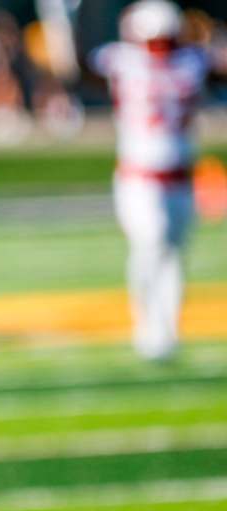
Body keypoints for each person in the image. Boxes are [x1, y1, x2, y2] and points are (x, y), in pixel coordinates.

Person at [89, 0, 210, 360]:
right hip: (139, 178)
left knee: (174, 253)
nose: (159, 47)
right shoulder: (122, 60)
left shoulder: (190, 62)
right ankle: (147, 328)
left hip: (182, 176)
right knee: (151, 244)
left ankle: (168, 331)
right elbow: (79, 67)